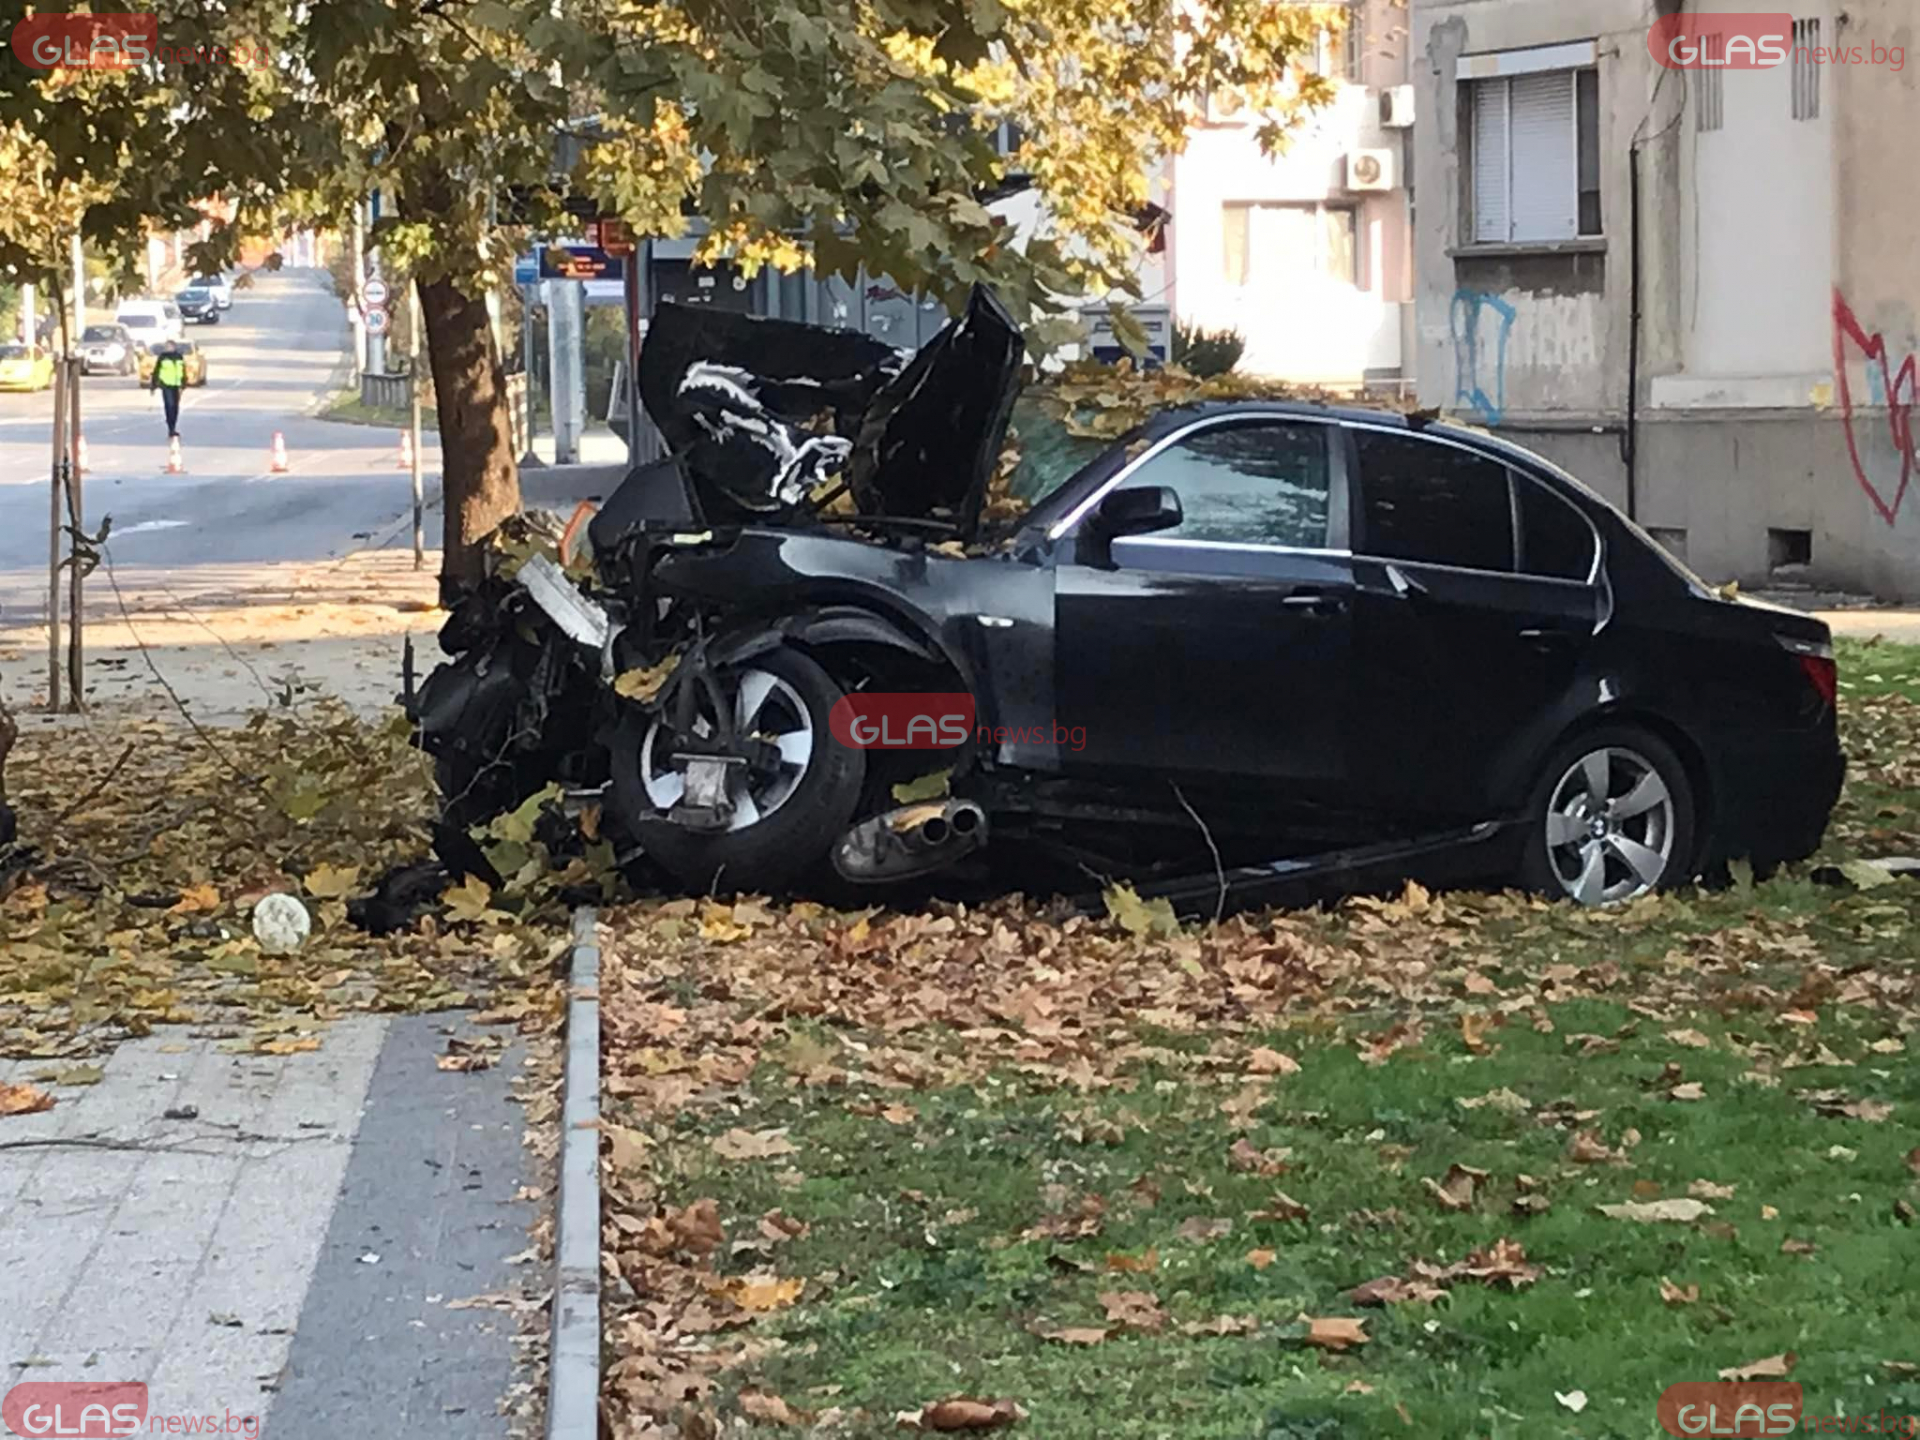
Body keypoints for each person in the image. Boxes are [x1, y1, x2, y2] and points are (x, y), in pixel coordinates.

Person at [150, 341, 187, 438]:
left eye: (170, 346)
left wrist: (183, 383)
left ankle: (173, 425)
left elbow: (183, 370)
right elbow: (156, 371)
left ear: (174, 347)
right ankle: (170, 427)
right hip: (166, 385)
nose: (168, 348)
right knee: (169, 405)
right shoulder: (162, 357)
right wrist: (153, 385)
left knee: (175, 407)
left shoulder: (179, 357)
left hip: (176, 385)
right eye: (167, 347)